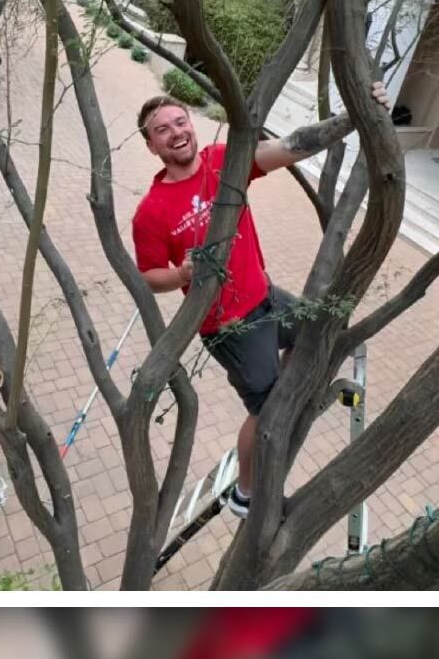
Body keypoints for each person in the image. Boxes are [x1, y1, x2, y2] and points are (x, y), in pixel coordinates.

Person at [131, 80, 391, 518]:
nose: (176, 132)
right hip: (227, 327)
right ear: (152, 146)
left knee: (321, 325)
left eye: (180, 121)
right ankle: (244, 493)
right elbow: (149, 277)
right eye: (162, 130)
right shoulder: (151, 211)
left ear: (191, 125)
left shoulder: (224, 163)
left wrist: (356, 114)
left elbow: (292, 146)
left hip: (265, 296)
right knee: (266, 409)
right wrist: (181, 273)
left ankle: (290, 386)